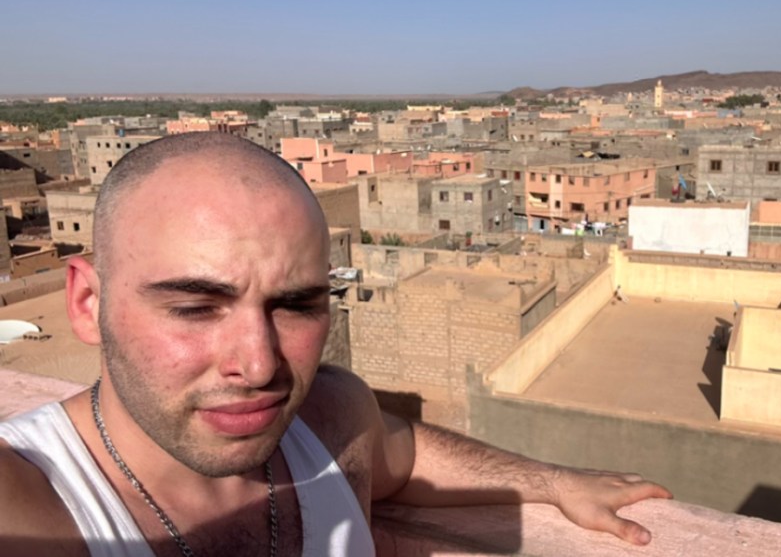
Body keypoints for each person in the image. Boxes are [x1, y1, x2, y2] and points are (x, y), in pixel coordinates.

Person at [0, 133, 671, 556]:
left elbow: (404, 450)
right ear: (87, 304)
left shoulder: (330, 419)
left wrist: (551, 481)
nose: (258, 364)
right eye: (196, 307)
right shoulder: (32, 504)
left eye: (296, 305)